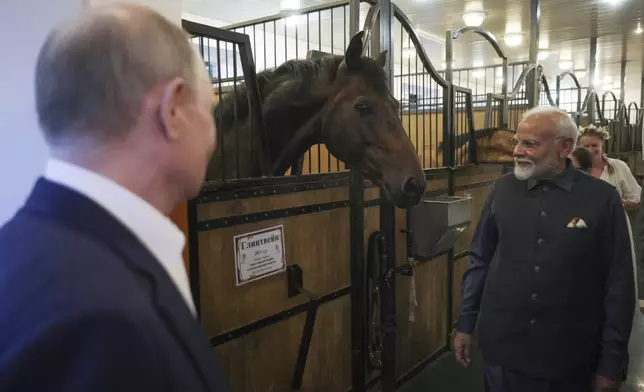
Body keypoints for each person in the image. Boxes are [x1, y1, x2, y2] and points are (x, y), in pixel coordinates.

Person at [0, 4, 227, 392]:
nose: (214, 134)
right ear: (172, 110)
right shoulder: (111, 322)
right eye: (210, 108)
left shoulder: (14, 249)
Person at [453, 106, 635, 392]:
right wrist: (465, 324)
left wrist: (611, 362)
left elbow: (620, 283)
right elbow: (480, 260)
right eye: (518, 142)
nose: (517, 151)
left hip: (568, 360)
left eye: (530, 144)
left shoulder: (602, 199)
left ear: (564, 147)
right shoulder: (501, 191)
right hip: (503, 353)